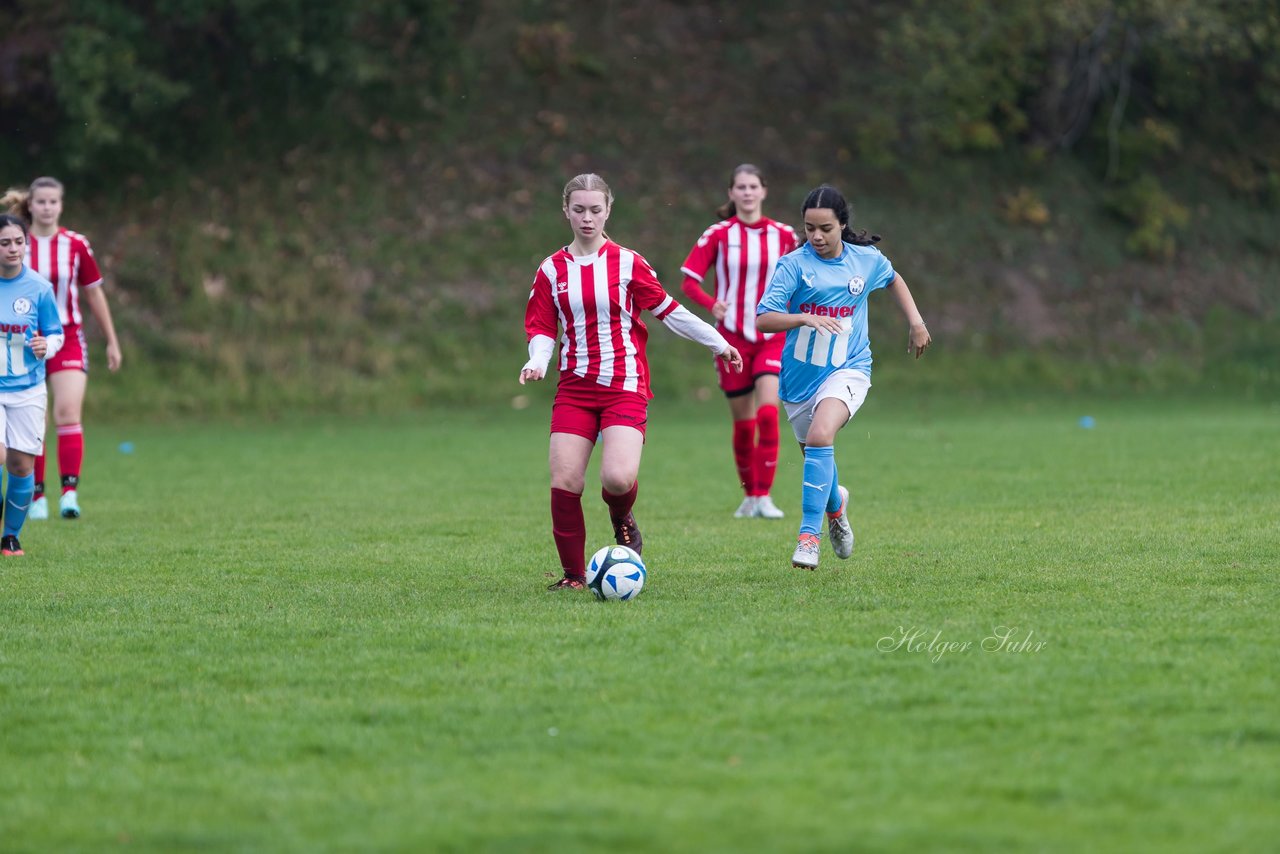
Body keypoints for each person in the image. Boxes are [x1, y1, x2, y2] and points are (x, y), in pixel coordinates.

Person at [521, 173, 744, 590]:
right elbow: (541, 326)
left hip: (625, 384)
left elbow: (669, 310)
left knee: (618, 479)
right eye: (579, 209)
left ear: (608, 211)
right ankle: (572, 577)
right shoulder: (551, 269)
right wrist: (537, 360)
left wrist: (717, 342)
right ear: (566, 211)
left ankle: (621, 516)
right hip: (574, 388)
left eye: (595, 210)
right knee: (565, 480)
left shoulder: (627, 262)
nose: (587, 218)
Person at [756, 184, 931, 570]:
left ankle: (808, 537)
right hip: (800, 380)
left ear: (842, 225)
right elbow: (764, 318)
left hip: (850, 368)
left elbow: (894, 278)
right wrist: (803, 316)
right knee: (816, 456)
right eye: (809, 228)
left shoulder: (865, 261)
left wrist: (916, 322)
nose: (816, 236)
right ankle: (836, 509)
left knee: (821, 436)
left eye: (825, 228)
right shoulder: (794, 265)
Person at [680, 164, 798, 520]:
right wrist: (710, 303)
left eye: (753, 186)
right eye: (740, 187)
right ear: (731, 193)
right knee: (744, 423)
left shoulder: (785, 235)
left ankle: (765, 495)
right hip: (729, 339)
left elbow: (803, 274)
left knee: (767, 411)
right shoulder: (718, 234)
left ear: (764, 191)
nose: (747, 193)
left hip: (772, 336)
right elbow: (689, 282)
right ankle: (749, 495)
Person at [2, 177, 121, 520]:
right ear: (31, 204)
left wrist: (112, 340)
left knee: (67, 412)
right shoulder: (16, 242)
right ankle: (36, 495)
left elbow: (94, 292)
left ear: (61, 205)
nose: (47, 207)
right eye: (41, 202)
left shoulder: (76, 244)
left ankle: (69, 493)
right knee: (33, 419)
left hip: (66, 336)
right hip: (22, 342)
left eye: (53, 202)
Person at [0, 213, 66, 555]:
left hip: (28, 388)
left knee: (21, 466)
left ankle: (10, 536)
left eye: (18, 242)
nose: (13, 249)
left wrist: (47, 345)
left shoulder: (39, 288)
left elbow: (55, 333)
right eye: (5, 243)